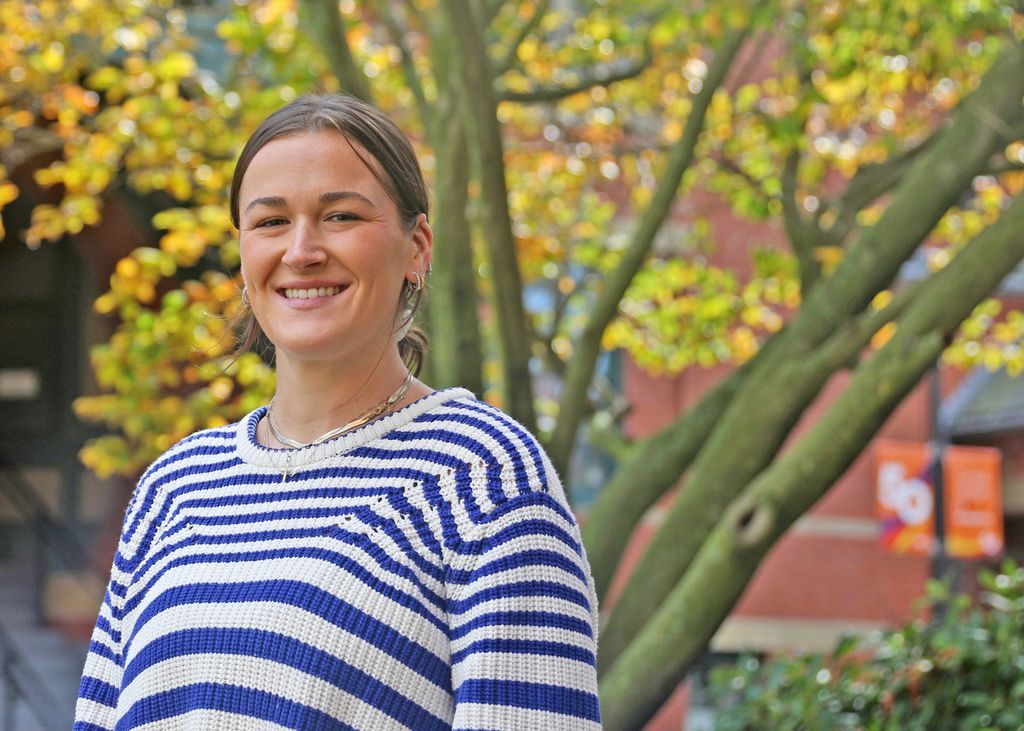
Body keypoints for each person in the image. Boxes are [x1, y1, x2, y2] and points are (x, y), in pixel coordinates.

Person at [74, 93, 602, 730]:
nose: (302, 250)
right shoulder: (174, 489)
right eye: (270, 222)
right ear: (243, 255)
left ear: (417, 248)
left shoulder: (484, 478)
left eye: (341, 216)